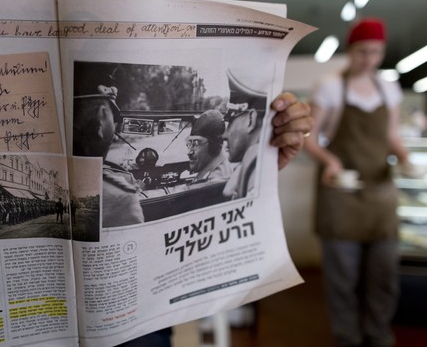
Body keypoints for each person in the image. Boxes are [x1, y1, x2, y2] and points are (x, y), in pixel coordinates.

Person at [116, 92, 313, 347]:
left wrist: (267, 165)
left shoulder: (221, 179)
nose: (189, 151)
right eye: (188, 144)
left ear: (214, 144)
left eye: (194, 143)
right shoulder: (228, 174)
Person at [303, 18, 410, 347]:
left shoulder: (388, 88)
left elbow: (391, 134)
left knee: (383, 276)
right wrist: (330, 161)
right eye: (363, 52)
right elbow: (309, 137)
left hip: (380, 195)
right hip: (341, 195)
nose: (370, 59)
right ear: (350, 50)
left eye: (377, 53)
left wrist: (406, 158)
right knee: (343, 279)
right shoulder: (330, 86)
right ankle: (347, 338)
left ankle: (379, 336)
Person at [73, 84, 146, 228]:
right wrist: (136, 193)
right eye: (113, 120)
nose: (115, 135)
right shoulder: (121, 199)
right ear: (100, 121)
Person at [222, 69, 267, 199]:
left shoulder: (255, 163)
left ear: (251, 120)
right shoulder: (254, 161)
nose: (224, 135)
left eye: (230, 120)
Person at [185, 109, 233, 183]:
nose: (189, 152)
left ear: (213, 146)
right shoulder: (224, 166)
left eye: (196, 143)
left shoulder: (213, 180)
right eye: (189, 143)